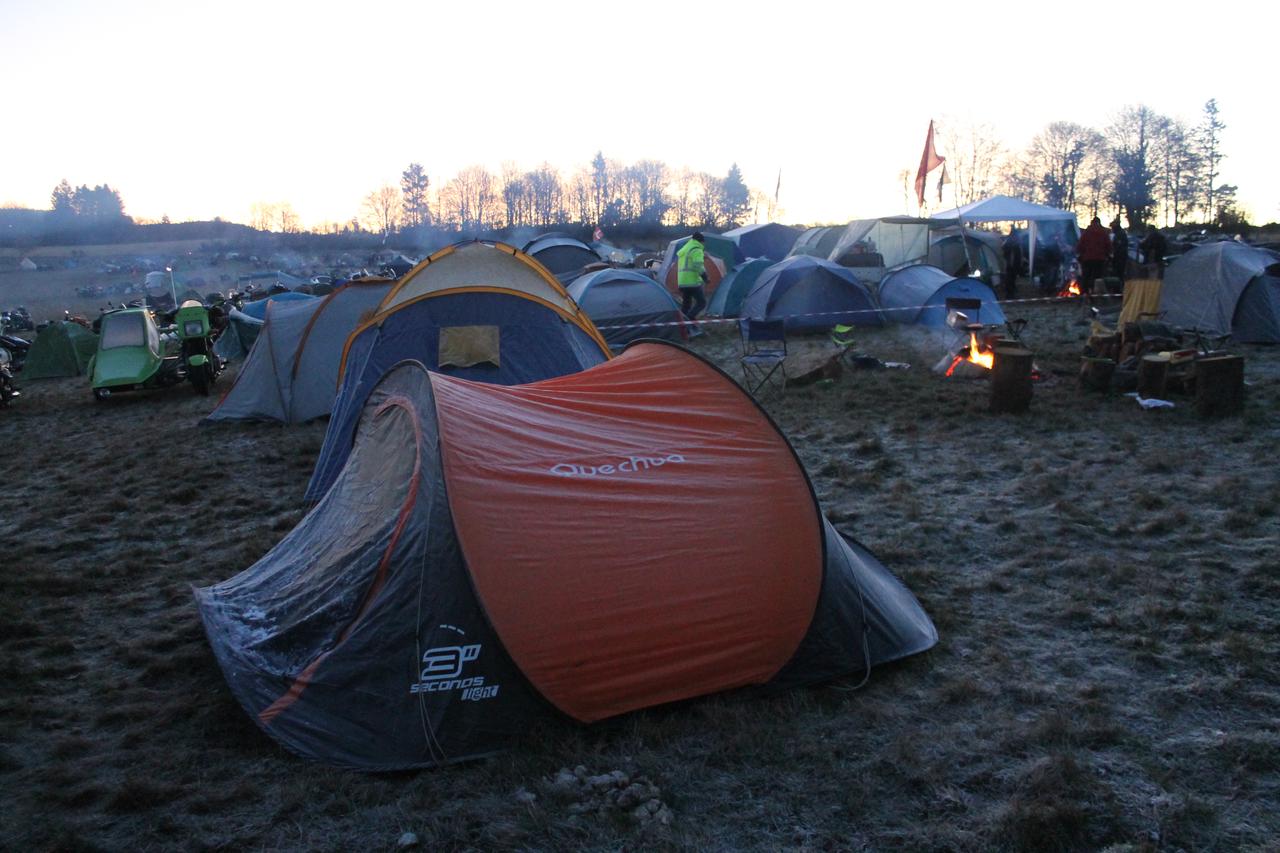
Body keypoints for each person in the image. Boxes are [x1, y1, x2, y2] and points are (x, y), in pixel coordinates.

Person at [1076, 216, 1111, 301]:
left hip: (1087, 259)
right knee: (1097, 277)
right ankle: (1096, 295)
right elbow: (1108, 245)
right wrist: (1107, 255)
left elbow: (1080, 245)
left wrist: (1081, 254)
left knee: (1086, 277)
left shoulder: (1086, 232)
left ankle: (1084, 294)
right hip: (1100, 259)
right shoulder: (1103, 232)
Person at [676, 232, 708, 320]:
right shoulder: (697, 249)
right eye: (703, 242)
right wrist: (705, 276)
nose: (704, 244)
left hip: (682, 281)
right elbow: (697, 264)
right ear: (701, 241)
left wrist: (702, 257)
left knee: (686, 305)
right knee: (702, 303)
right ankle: (689, 319)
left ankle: (682, 323)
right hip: (692, 282)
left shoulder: (686, 248)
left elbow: (689, 261)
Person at [1001, 227, 1024, 300]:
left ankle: (1012, 293)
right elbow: (1008, 254)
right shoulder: (1010, 242)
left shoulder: (1013, 242)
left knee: (1012, 279)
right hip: (1011, 264)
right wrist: (1010, 263)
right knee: (1010, 279)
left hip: (1014, 264)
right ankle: (1010, 294)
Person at [1109, 219, 1129, 291]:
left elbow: (1118, 246)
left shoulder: (1120, 235)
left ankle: (1118, 289)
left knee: (1119, 274)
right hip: (1120, 257)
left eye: (1112, 227)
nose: (1112, 229)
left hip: (1120, 258)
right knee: (1119, 274)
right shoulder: (1120, 234)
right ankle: (1118, 288)